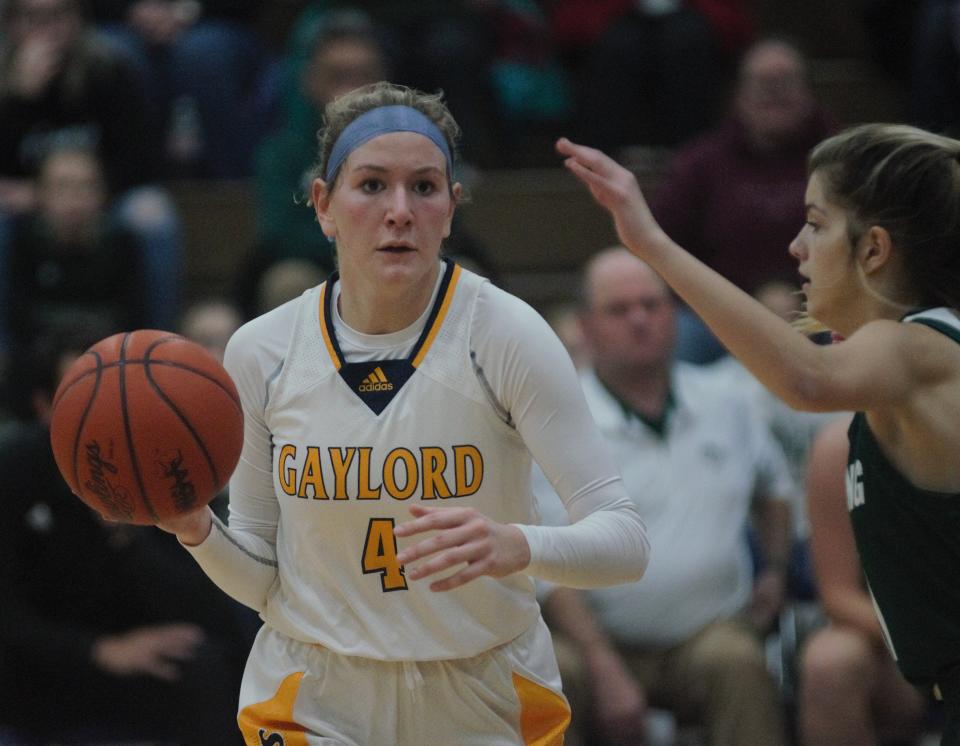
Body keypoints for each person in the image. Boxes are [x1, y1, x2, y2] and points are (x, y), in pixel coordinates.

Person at [159, 81, 650, 744]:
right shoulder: (263, 351)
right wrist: (196, 529)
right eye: (371, 186)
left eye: (424, 187)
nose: (400, 211)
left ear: (451, 208)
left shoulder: (505, 334)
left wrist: (520, 546)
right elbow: (264, 583)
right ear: (323, 206)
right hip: (316, 695)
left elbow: (624, 544)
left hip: (483, 693)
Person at [557, 122, 960, 743]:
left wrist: (652, 244)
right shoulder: (897, 366)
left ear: (874, 250)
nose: (797, 246)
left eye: (817, 223)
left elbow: (806, 379)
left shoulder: (918, 344)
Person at [537, 247, 795, 746]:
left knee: (739, 662)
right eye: (619, 309)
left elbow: (775, 488)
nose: (640, 320)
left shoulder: (727, 401)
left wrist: (778, 571)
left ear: (674, 316)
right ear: (587, 327)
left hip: (706, 636)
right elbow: (547, 567)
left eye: (652, 305)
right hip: (590, 643)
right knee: (549, 673)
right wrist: (604, 663)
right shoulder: (556, 419)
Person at [0, 326, 253, 744]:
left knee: (212, 660)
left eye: (118, 409)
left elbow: (209, 608)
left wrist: (127, 539)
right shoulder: (15, 471)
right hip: (45, 666)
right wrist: (98, 650)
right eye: (85, 405)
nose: (106, 421)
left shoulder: (155, 469)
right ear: (45, 408)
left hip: (137, 659)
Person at [649, 36, 837, 362]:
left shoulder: (841, 159)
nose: (774, 92)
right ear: (738, 93)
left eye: (785, 81)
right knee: (674, 336)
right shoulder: (700, 163)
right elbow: (658, 243)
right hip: (717, 316)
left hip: (823, 309)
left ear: (808, 91)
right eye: (762, 82)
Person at [798, 414, 929, 746]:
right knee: (828, 664)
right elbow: (838, 596)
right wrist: (927, 642)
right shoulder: (838, 448)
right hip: (896, 641)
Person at [1, 144, 149, 415]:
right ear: (42, 195)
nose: (75, 198)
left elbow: (133, 318)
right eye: (63, 187)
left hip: (110, 359)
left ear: (102, 195)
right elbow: (18, 318)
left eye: (85, 187)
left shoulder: (122, 243)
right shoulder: (23, 241)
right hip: (39, 364)